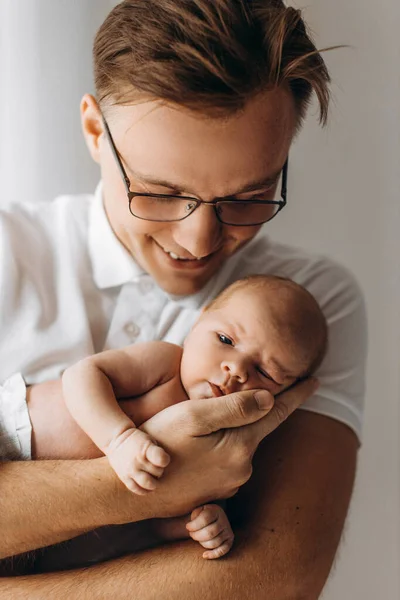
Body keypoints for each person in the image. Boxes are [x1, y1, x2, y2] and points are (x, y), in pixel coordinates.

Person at [0, 1, 366, 597]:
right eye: (160, 193)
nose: (199, 241)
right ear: (96, 132)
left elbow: (275, 579)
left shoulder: (303, 308)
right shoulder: (8, 251)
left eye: (249, 196)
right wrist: (142, 485)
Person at [29, 275, 327, 561]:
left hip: (44, 528)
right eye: (225, 339)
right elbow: (81, 376)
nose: (236, 368)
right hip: (15, 432)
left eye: (265, 373)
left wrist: (199, 522)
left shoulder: (225, 451)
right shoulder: (166, 365)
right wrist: (119, 438)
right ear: (200, 319)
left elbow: (152, 521)